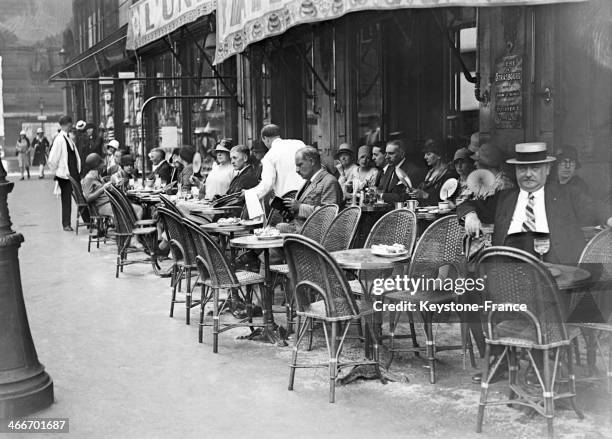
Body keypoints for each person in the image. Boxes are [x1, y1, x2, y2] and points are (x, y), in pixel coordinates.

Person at [460, 142, 612, 265]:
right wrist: (470, 215)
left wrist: (609, 218)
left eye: (534, 168)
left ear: (547, 169)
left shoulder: (567, 194)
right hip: (509, 269)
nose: (528, 174)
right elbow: (468, 205)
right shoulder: (505, 198)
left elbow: (596, 208)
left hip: (558, 268)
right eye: (522, 168)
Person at [278, 147, 343, 233]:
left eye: (300, 165)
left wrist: (300, 207)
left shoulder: (330, 181)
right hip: (301, 231)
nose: (297, 170)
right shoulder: (308, 182)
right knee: (272, 231)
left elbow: (328, 215)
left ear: (312, 162)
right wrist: (290, 214)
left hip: (313, 237)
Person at [249, 124, 306, 201]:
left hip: (288, 202)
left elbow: (267, 185)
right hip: (308, 195)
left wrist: (249, 194)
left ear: (265, 138)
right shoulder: (299, 144)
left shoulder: (269, 156)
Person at [48, 115, 82, 231]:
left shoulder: (67, 138)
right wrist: (58, 171)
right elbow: (52, 159)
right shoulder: (59, 139)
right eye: (70, 124)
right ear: (66, 124)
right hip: (65, 176)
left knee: (80, 197)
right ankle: (66, 224)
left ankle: (87, 220)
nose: (71, 126)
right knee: (66, 200)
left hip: (72, 174)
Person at [412, 139, 457, 206]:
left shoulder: (449, 174)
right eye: (425, 154)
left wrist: (426, 195)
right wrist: (414, 192)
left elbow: (447, 200)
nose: (425, 157)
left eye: (428, 154)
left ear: (439, 156)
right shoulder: (429, 173)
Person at [81, 154, 114, 218]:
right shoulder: (89, 178)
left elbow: (97, 187)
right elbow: (88, 198)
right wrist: (103, 188)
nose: (104, 165)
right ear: (97, 166)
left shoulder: (97, 175)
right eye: (102, 163)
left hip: (108, 203)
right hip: (103, 206)